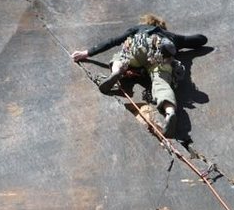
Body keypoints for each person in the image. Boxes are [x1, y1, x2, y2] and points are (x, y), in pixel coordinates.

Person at [71, 15, 207, 138]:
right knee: (161, 82)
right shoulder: (171, 36)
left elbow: (112, 41)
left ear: (148, 22)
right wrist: (180, 41)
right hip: (160, 55)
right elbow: (200, 39)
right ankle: (170, 112)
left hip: (139, 45)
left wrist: (86, 53)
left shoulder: (139, 28)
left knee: (120, 56)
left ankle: (116, 72)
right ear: (162, 26)